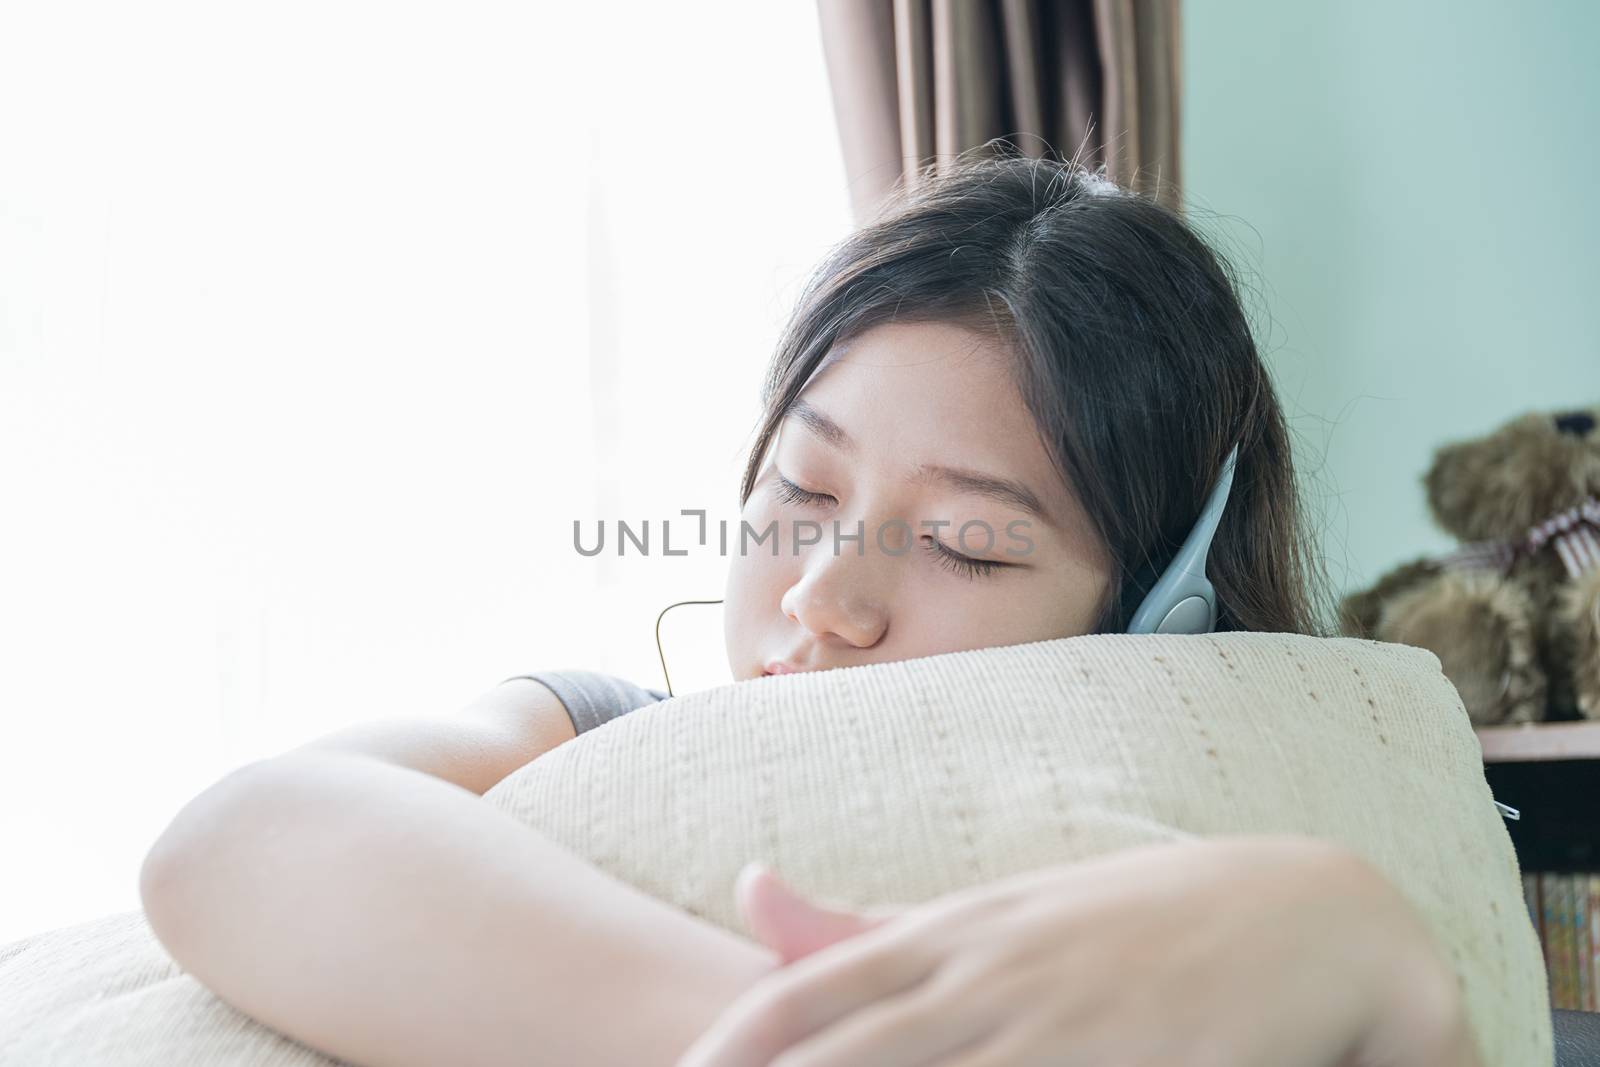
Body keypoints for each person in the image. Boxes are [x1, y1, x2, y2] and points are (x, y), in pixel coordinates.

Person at [138, 150, 1485, 1066]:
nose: (823, 594)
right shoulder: (593, 730)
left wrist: (1364, 947)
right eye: (800, 486)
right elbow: (238, 836)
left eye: (963, 542)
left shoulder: (1255, 847)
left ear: (1162, 615)